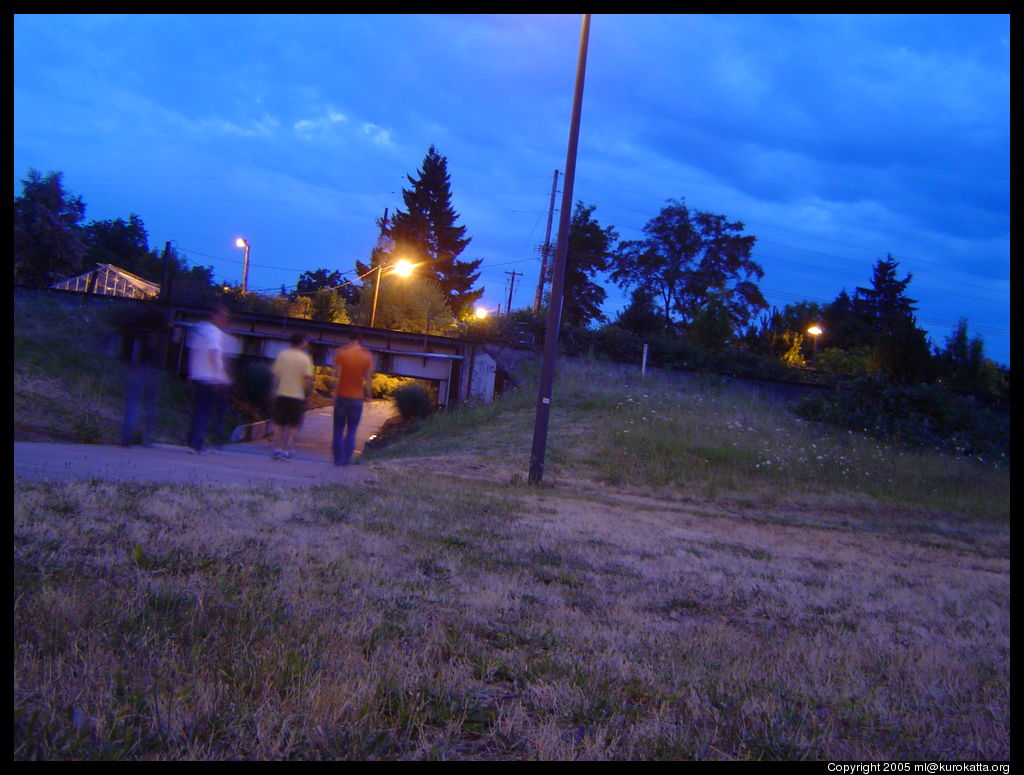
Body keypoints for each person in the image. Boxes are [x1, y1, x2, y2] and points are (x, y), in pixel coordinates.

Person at [119, 305, 172, 447]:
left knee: (132, 403)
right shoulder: (155, 331)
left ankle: (126, 437)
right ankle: (148, 438)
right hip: (149, 368)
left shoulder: (134, 328)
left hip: (133, 367)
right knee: (150, 404)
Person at [186, 304, 232, 454]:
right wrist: (219, 375)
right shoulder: (214, 333)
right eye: (224, 317)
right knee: (205, 412)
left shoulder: (199, 329)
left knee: (197, 410)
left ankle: (192, 442)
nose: (225, 320)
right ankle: (199, 444)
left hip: (198, 375)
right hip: (210, 377)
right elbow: (214, 354)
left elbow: (192, 352)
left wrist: (190, 373)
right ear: (216, 316)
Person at [270, 332, 315, 461]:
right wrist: (308, 395)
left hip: (282, 394)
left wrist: (273, 390)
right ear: (302, 343)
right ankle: (287, 449)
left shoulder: (283, 355)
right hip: (297, 396)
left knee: (279, 422)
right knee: (293, 424)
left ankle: (277, 448)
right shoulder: (305, 358)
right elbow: (308, 380)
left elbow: (275, 375)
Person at [332, 332, 374, 466]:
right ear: (360, 341)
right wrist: (368, 395)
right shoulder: (366, 355)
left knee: (338, 429)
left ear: (349, 339)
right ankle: (346, 459)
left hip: (341, 396)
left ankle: (337, 459)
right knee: (352, 430)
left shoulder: (341, 353)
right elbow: (368, 378)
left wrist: (334, 392)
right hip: (357, 398)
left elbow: (336, 375)